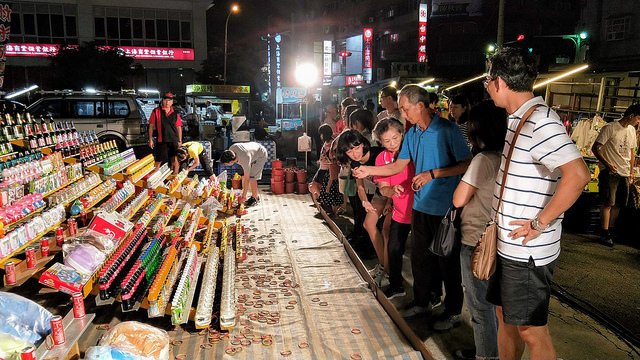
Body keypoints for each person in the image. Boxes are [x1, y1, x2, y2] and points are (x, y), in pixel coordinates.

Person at [483, 47, 590, 360]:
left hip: (526, 253)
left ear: (499, 82)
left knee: (531, 330)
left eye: (487, 81)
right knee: (503, 315)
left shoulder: (540, 122)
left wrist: (539, 223)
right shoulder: (521, 117)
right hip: (508, 246)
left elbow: (578, 175)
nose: (488, 88)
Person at [353, 84, 471, 324]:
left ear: (420, 106)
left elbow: (467, 164)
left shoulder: (447, 130)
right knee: (420, 259)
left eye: (406, 109)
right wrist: (369, 170)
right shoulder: (414, 134)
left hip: (445, 208)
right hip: (420, 206)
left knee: (447, 262)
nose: (403, 114)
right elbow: (398, 165)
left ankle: (453, 311)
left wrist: (432, 174)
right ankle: (421, 302)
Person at [452, 100, 507, 360]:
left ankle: (486, 356)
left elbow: (458, 199)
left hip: (477, 240)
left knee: (480, 307)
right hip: (501, 242)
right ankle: (488, 350)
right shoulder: (508, 157)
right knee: (494, 306)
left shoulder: (483, 159)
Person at [372, 117, 415, 299]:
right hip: (400, 210)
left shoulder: (412, 151)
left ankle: (432, 293)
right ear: (380, 141)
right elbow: (383, 187)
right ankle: (397, 285)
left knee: (423, 255)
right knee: (395, 248)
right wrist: (391, 190)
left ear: (402, 134)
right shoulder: (382, 158)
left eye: (395, 139)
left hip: (420, 209)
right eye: (386, 141)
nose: (391, 144)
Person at [335, 130, 386, 283]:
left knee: (387, 230)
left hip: (393, 191)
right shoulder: (355, 163)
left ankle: (387, 270)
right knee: (368, 224)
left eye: (357, 148)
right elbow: (360, 187)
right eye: (350, 151)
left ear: (363, 144)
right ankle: (383, 266)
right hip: (381, 193)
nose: (355, 154)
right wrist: (364, 201)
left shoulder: (379, 154)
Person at [591, 104, 640, 246]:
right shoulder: (610, 128)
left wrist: (631, 172)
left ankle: (611, 230)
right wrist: (606, 164)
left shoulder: (631, 130)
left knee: (619, 204)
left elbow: (631, 152)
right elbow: (596, 148)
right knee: (608, 202)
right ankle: (604, 232)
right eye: (638, 118)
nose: (638, 122)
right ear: (631, 116)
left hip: (624, 172)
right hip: (610, 171)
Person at [220, 141, 269, 207]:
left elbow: (247, 178)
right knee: (246, 175)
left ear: (231, 162)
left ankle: (255, 198)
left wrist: (243, 196)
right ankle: (253, 196)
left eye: (226, 164)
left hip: (260, 155)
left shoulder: (244, 159)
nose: (225, 165)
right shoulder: (231, 149)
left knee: (252, 177)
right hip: (253, 150)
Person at [310, 124, 343, 214]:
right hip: (322, 167)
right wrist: (320, 160)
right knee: (314, 186)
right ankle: (323, 202)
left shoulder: (333, 144)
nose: (320, 136)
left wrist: (326, 159)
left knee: (324, 187)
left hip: (328, 169)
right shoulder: (326, 142)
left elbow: (334, 159)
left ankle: (327, 205)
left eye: (321, 134)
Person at [148, 92, 182, 174]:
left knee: (175, 160)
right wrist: (150, 139)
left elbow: (179, 127)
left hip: (174, 140)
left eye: (169, 100)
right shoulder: (156, 111)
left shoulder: (175, 113)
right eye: (165, 100)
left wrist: (180, 140)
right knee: (158, 160)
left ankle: (174, 179)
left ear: (172, 102)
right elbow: (151, 126)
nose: (167, 102)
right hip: (161, 140)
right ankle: (153, 180)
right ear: (162, 101)